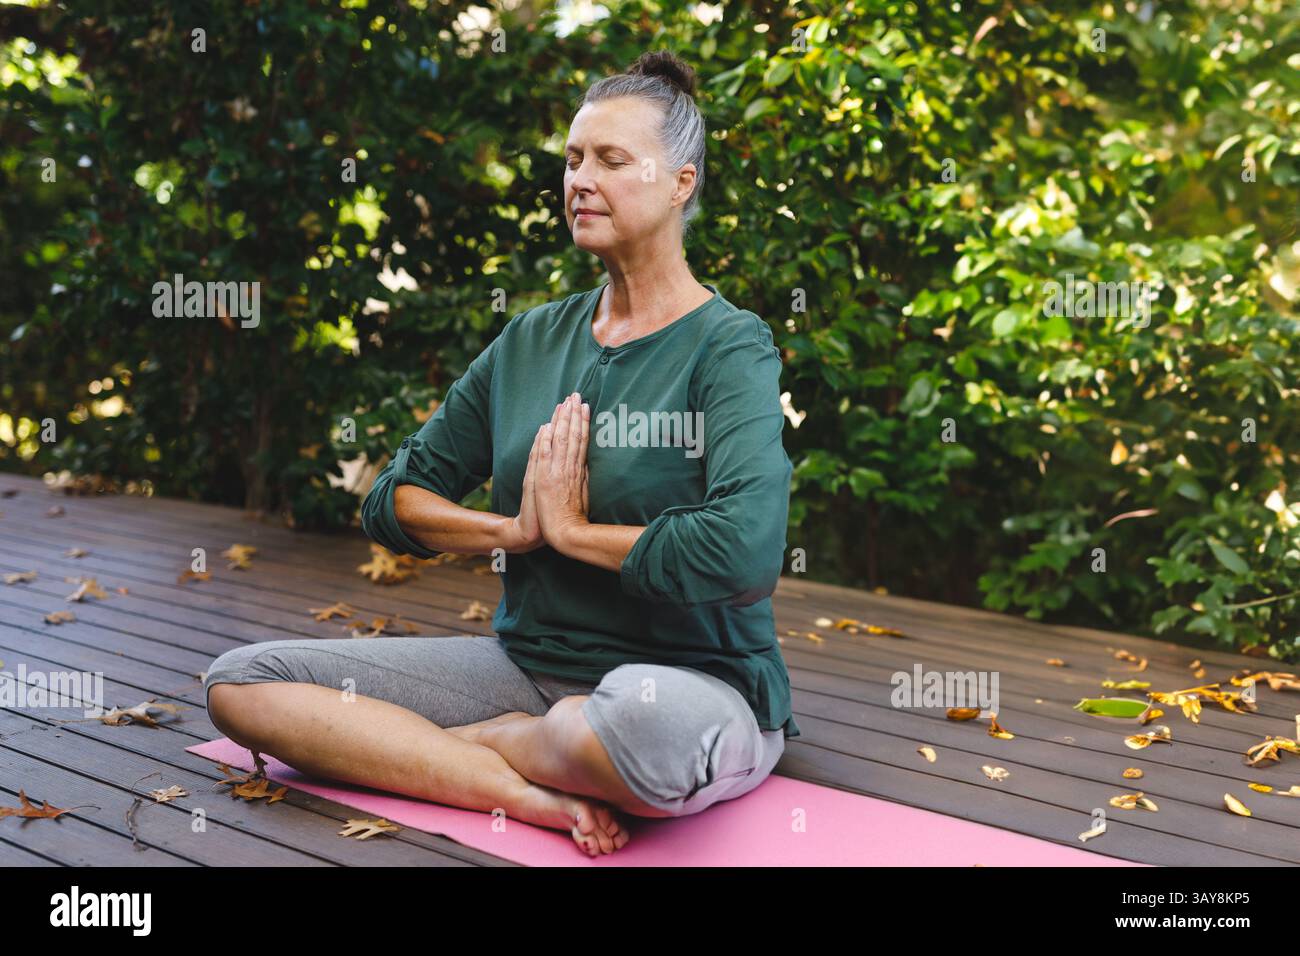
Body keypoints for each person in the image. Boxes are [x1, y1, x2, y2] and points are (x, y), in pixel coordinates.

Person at [204, 49, 798, 858]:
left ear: (680, 182)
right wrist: (513, 532)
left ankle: (483, 748)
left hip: (688, 683)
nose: (580, 179)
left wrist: (572, 531)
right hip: (526, 667)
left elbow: (747, 552)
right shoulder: (531, 340)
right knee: (243, 686)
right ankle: (514, 783)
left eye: (612, 160)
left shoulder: (728, 346)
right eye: (573, 159)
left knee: (632, 731)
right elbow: (395, 498)